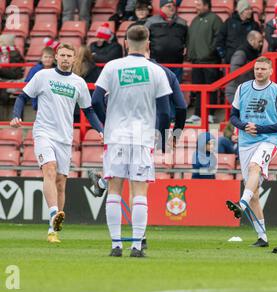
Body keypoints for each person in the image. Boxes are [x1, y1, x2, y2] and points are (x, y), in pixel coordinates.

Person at [10, 43, 104, 244]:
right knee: (49, 170)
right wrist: (16, 115)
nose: (65, 59)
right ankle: (54, 213)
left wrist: (101, 130)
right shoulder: (43, 76)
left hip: (64, 138)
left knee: (61, 183)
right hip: (44, 132)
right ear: (56, 57)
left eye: (69, 56)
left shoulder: (78, 83)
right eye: (62, 55)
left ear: (74, 59)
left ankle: (53, 230)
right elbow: (23, 97)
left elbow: (88, 111)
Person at [91, 25, 172, 257]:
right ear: (148, 44)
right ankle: (136, 246)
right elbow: (165, 112)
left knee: (114, 190)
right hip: (142, 138)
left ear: (126, 43)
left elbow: (96, 100)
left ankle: (116, 245)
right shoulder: (156, 71)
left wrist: (108, 124)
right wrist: (161, 134)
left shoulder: (112, 66)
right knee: (139, 192)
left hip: (115, 137)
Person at [226, 56, 277, 247]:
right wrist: (244, 126)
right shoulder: (243, 88)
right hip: (246, 143)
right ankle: (262, 238)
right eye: (257, 69)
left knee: (256, 166)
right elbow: (233, 117)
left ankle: (242, 204)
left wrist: (261, 129)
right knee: (254, 192)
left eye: (263, 69)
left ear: (271, 71)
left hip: (268, 141)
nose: (259, 72)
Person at [186, 0, 223, 124]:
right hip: (196, 61)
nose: (196, 7)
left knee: (211, 88)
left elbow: (219, 38)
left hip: (210, 61)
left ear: (206, 6)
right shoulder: (195, 20)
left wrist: (209, 53)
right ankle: (198, 113)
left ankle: (210, 114)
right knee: (198, 88)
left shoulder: (215, 19)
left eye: (199, 5)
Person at [144, 0, 188, 82]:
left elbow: (187, 40)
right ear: (161, 8)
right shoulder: (151, 22)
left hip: (176, 63)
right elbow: (143, 39)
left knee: (175, 89)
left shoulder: (182, 23)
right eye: (168, 6)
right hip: (157, 63)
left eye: (173, 6)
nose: (172, 8)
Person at [216, 0, 260, 64]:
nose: (250, 11)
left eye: (251, 9)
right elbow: (219, 40)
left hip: (248, 61)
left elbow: (258, 44)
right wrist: (224, 56)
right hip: (230, 61)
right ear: (240, 11)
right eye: (247, 9)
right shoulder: (229, 22)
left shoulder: (254, 25)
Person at [225, 31, 263, 104]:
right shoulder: (241, 53)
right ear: (252, 40)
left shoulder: (253, 52)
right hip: (236, 91)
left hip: (244, 89)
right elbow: (235, 72)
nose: (261, 44)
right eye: (259, 41)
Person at [25, 47, 56, 111]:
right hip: (38, 101)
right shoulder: (35, 69)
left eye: (50, 57)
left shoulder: (57, 70)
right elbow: (27, 83)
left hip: (54, 102)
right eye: (45, 57)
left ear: (54, 59)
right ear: (41, 58)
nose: (48, 59)